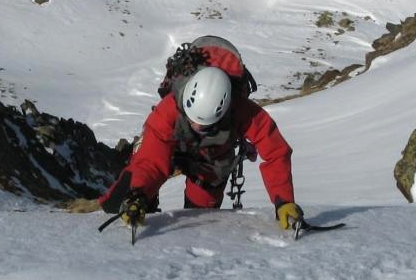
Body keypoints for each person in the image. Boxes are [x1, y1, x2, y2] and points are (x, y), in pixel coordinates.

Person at [99, 46, 303, 232]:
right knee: (130, 197)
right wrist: (138, 193)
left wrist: (283, 201)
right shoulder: (168, 110)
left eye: (204, 125)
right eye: (193, 119)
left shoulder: (241, 110)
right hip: (175, 147)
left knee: (199, 218)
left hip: (211, 161)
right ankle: (142, 201)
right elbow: (151, 159)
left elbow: (276, 151)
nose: (197, 126)